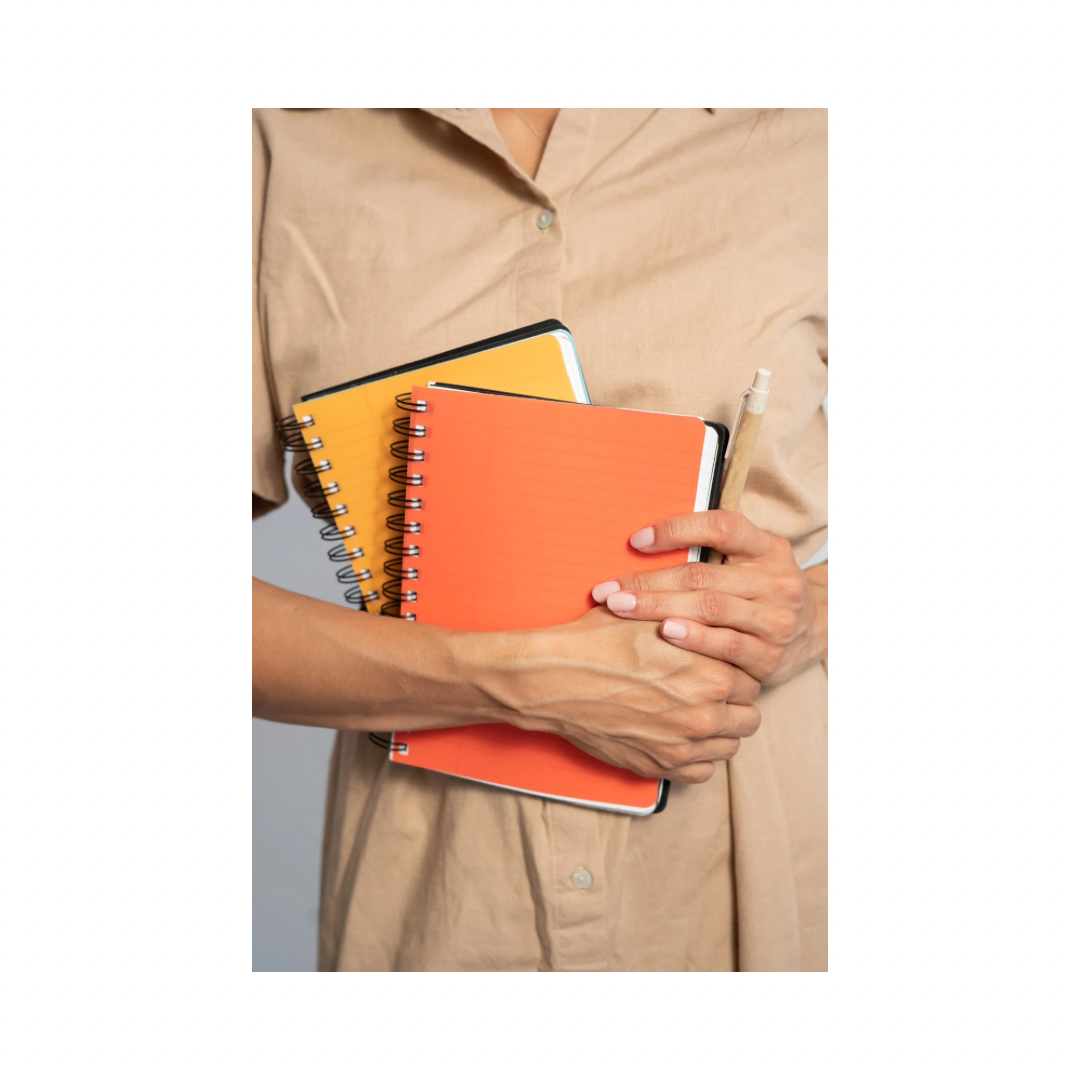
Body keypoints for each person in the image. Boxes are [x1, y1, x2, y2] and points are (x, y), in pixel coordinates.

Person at [253, 108, 828, 971]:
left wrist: (813, 612)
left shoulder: (815, 126)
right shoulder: (280, 136)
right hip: (433, 879)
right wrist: (511, 681)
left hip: (750, 831)